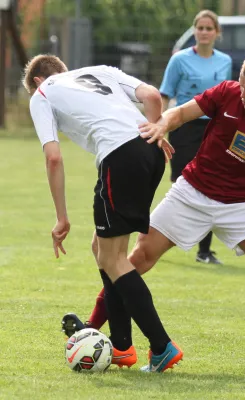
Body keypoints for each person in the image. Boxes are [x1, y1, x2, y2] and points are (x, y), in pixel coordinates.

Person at [63, 51, 245, 375]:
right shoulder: (227, 93)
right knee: (136, 259)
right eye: (242, 87)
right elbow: (181, 113)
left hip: (242, 206)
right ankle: (94, 328)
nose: (243, 95)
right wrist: (161, 125)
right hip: (193, 192)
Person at [23, 54, 183, 373]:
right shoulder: (99, 71)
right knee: (103, 249)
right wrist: (157, 132)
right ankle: (122, 346)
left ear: (38, 81)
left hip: (119, 156)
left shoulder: (42, 93)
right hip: (150, 149)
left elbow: (53, 158)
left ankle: (162, 346)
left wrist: (61, 217)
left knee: (113, 259)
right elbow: (152, 95)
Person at [161, 10, 232, 264]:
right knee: (182, 186)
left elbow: (227, 99)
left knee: (211, 186)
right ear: (194, 31)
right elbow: (164, 94)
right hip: (183, 128)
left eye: (208, 28)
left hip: (214, 129)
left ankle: (204, 251)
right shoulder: (179, 60)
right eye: (199, 28)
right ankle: (156, 239)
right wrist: (158, 127)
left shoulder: (225, 61)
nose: (204, 32)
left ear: (217, 32)